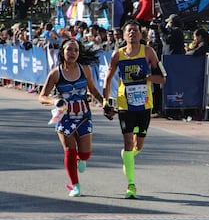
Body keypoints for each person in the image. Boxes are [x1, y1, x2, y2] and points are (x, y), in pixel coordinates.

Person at [102, 20, 166, 199]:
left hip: (144, 104)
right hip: (125, 104)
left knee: (139, 145)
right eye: (129, 31)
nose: (132, 33)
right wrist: (106, 101)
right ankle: (131, 185)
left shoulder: (148, 52)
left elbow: (162, 79)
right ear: (123, 36)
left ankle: (127, 157)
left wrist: (147, 77)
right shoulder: (118, 55)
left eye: (135, 31)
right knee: (128, 142)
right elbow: (108, 80)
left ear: (141, 34)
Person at [38, 39, 104, 196]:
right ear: (62, 52)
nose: (73, 53)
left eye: (76, 50)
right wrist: (54, 101)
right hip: (64, 118)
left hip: (83, 116)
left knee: (85, 153)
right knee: (69, 150)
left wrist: (105, 104)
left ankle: (82, 159)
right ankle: (75, 185)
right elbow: (42, 96)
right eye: (69, 50)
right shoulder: (55, 73)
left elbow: (93, 90)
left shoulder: (85, 69)